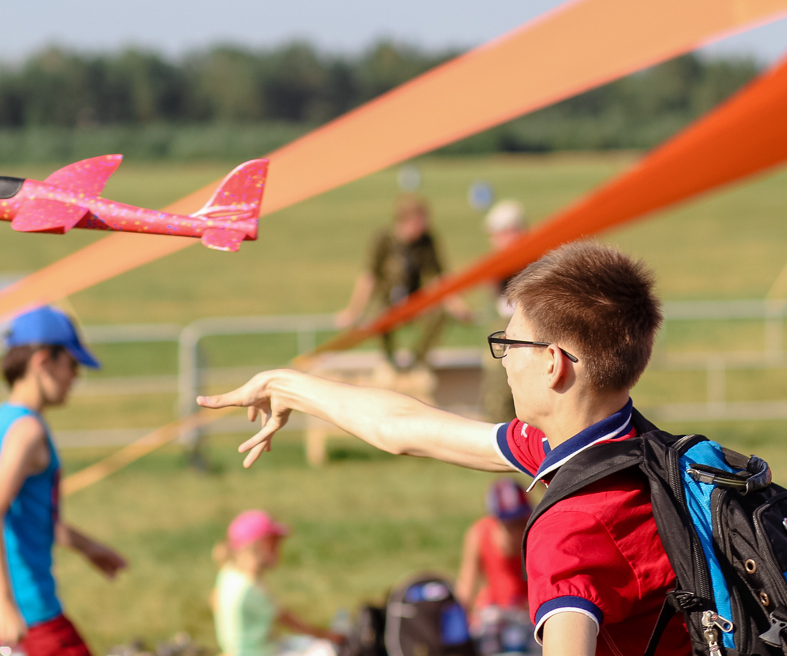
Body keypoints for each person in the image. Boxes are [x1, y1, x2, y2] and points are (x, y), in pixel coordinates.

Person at [201, 241, 690, 656]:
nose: (502, 363)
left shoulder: (570, 528)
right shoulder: (642, 453)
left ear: (552, 364)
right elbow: (405, 427)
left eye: (509, 343)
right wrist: (286, 386)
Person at [0, 306, 128, 656]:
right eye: (72, 365)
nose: (75, 377)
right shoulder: (27, 432)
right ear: (43, 361)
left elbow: (29, 515)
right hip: (23, 604)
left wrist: (86, 546)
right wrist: (4, 602)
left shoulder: (1, 417)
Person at [337, 195, 470, 371]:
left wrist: (457, 305)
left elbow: (439, 278)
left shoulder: (426, 241)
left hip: (413, 300)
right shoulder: (383, 239)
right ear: (406, 221)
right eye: (420, 222)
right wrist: (353, 311)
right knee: (379, 316)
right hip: (387, 302)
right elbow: (369, 277)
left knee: (439, 314)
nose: (425, 227)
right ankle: (390, 363)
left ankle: (417, 362)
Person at [212, 509, 343, 656]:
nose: (278, 548)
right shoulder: (249, 589)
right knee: (326, 651)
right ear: (258, 546)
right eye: (273, 543)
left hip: (237, 650)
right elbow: (284, 618)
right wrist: (324, 635)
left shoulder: (228, 573)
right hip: (257, 652)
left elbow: (215, 600)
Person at [455, 479, 532, 654]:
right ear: (495, 520)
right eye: (510, 525)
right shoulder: (479, 535)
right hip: (493, 610)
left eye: (521, 522)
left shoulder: (536, 532)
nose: (517, 532)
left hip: (528, 610)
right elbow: (466, 588)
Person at [480, 200, 528, 422]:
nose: (493, 241)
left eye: (498, 234)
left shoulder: (531, 256)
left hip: (521, 326)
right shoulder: (501, 260)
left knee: (504, 392)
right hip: (504, 323)